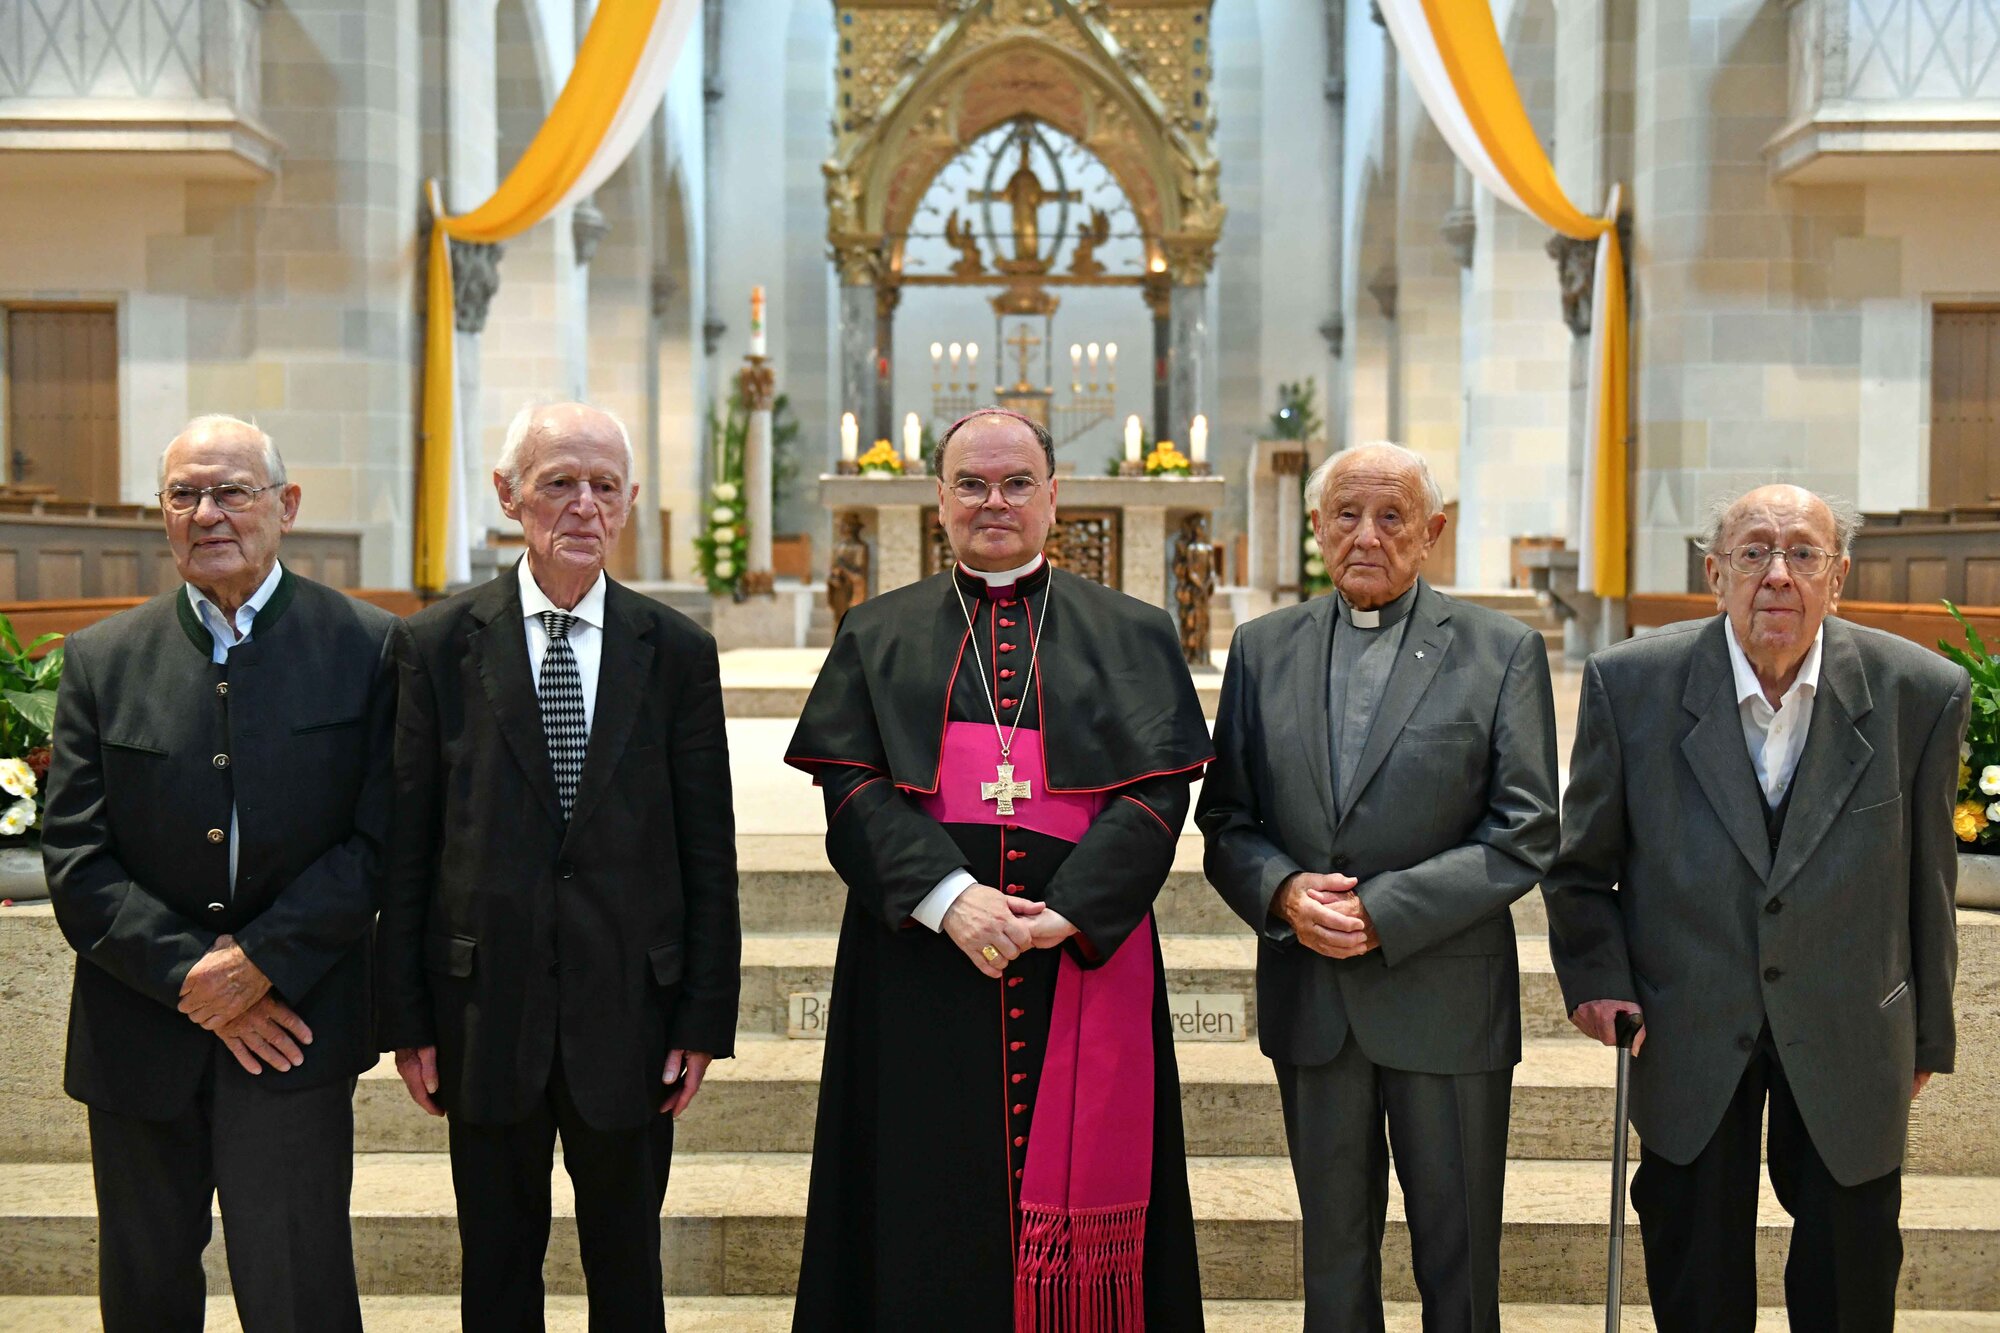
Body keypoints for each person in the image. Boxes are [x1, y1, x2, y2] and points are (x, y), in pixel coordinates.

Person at [785, 408, 1213, 1332]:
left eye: (1017, 483)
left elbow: (1155, 798)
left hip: (1078, 959)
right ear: (939, 500)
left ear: (1054, 496)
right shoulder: (876, 630)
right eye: (972, 484)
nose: (995, 503)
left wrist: (1066, 910)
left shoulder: (1132, 632)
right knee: (918, 1197)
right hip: (920, 967)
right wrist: (951, 899)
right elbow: (850, 790)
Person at [1543, 484, 1966, 1332]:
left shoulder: (1920, 691)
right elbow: (1582, 867)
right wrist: (1598, 976)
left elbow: (1930, 881)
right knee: (1696, 1279)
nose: (1778, 574)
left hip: (1850, 1029)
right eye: (1754, 552)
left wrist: (1925, 1035)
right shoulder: (1632, 685)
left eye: (1803, 553)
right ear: (1715, 572)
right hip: (1687, 1020)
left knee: (1850, 1283)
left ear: (1838, 576)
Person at [375, 401, 741, 1332]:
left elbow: (708, 848)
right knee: (496, 1267)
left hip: (632, 1008)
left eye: (604, 486)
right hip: (483, 1009)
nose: (584, 505)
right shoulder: (434, 645)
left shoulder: (679, 653)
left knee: (628, 1266)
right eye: (559, 483)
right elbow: (408, 846)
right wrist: (408, 1017)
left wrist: (703, 1016)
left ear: (626, 504)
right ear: (508, 496)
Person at [1196, 442, 1559, 1333]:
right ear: (1317, 528)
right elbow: (1228, 820)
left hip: (1446, 998)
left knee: (1459, 1256)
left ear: (1431, 532)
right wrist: (1283, 894)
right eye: (1346, 516)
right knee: (1334, 1255)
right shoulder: (1262, 648)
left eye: (1391, 517)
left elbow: (1525, 831)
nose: (1367, 535)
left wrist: (1381, 912)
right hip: (1314, 1002)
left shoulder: (1500, 651)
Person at [44, 415, 395, 1332]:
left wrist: (262, 964)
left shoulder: (367, 647)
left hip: (296, 1027)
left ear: (286, 506)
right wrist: (194, 974)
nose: (209, 513)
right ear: (161, 515)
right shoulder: (100, 659)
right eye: (184, 494)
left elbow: (382, 839)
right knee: (147, 1294)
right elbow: (76, 856)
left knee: (299, 1293)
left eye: (232, 491)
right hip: (137, 1034)